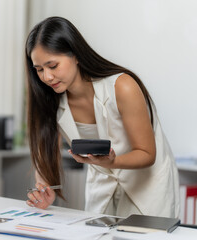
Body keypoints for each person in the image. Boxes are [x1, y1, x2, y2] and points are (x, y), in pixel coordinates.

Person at [25, 16, 179, 218]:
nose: (46, 77)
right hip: (102, 190)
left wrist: (110, 162)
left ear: (76, 55)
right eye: (39, 70)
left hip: (147, 191)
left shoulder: (122, 87)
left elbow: (147, 154)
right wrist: (45, 188)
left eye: (52, 66)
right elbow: (45, 150)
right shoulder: (50, 99)